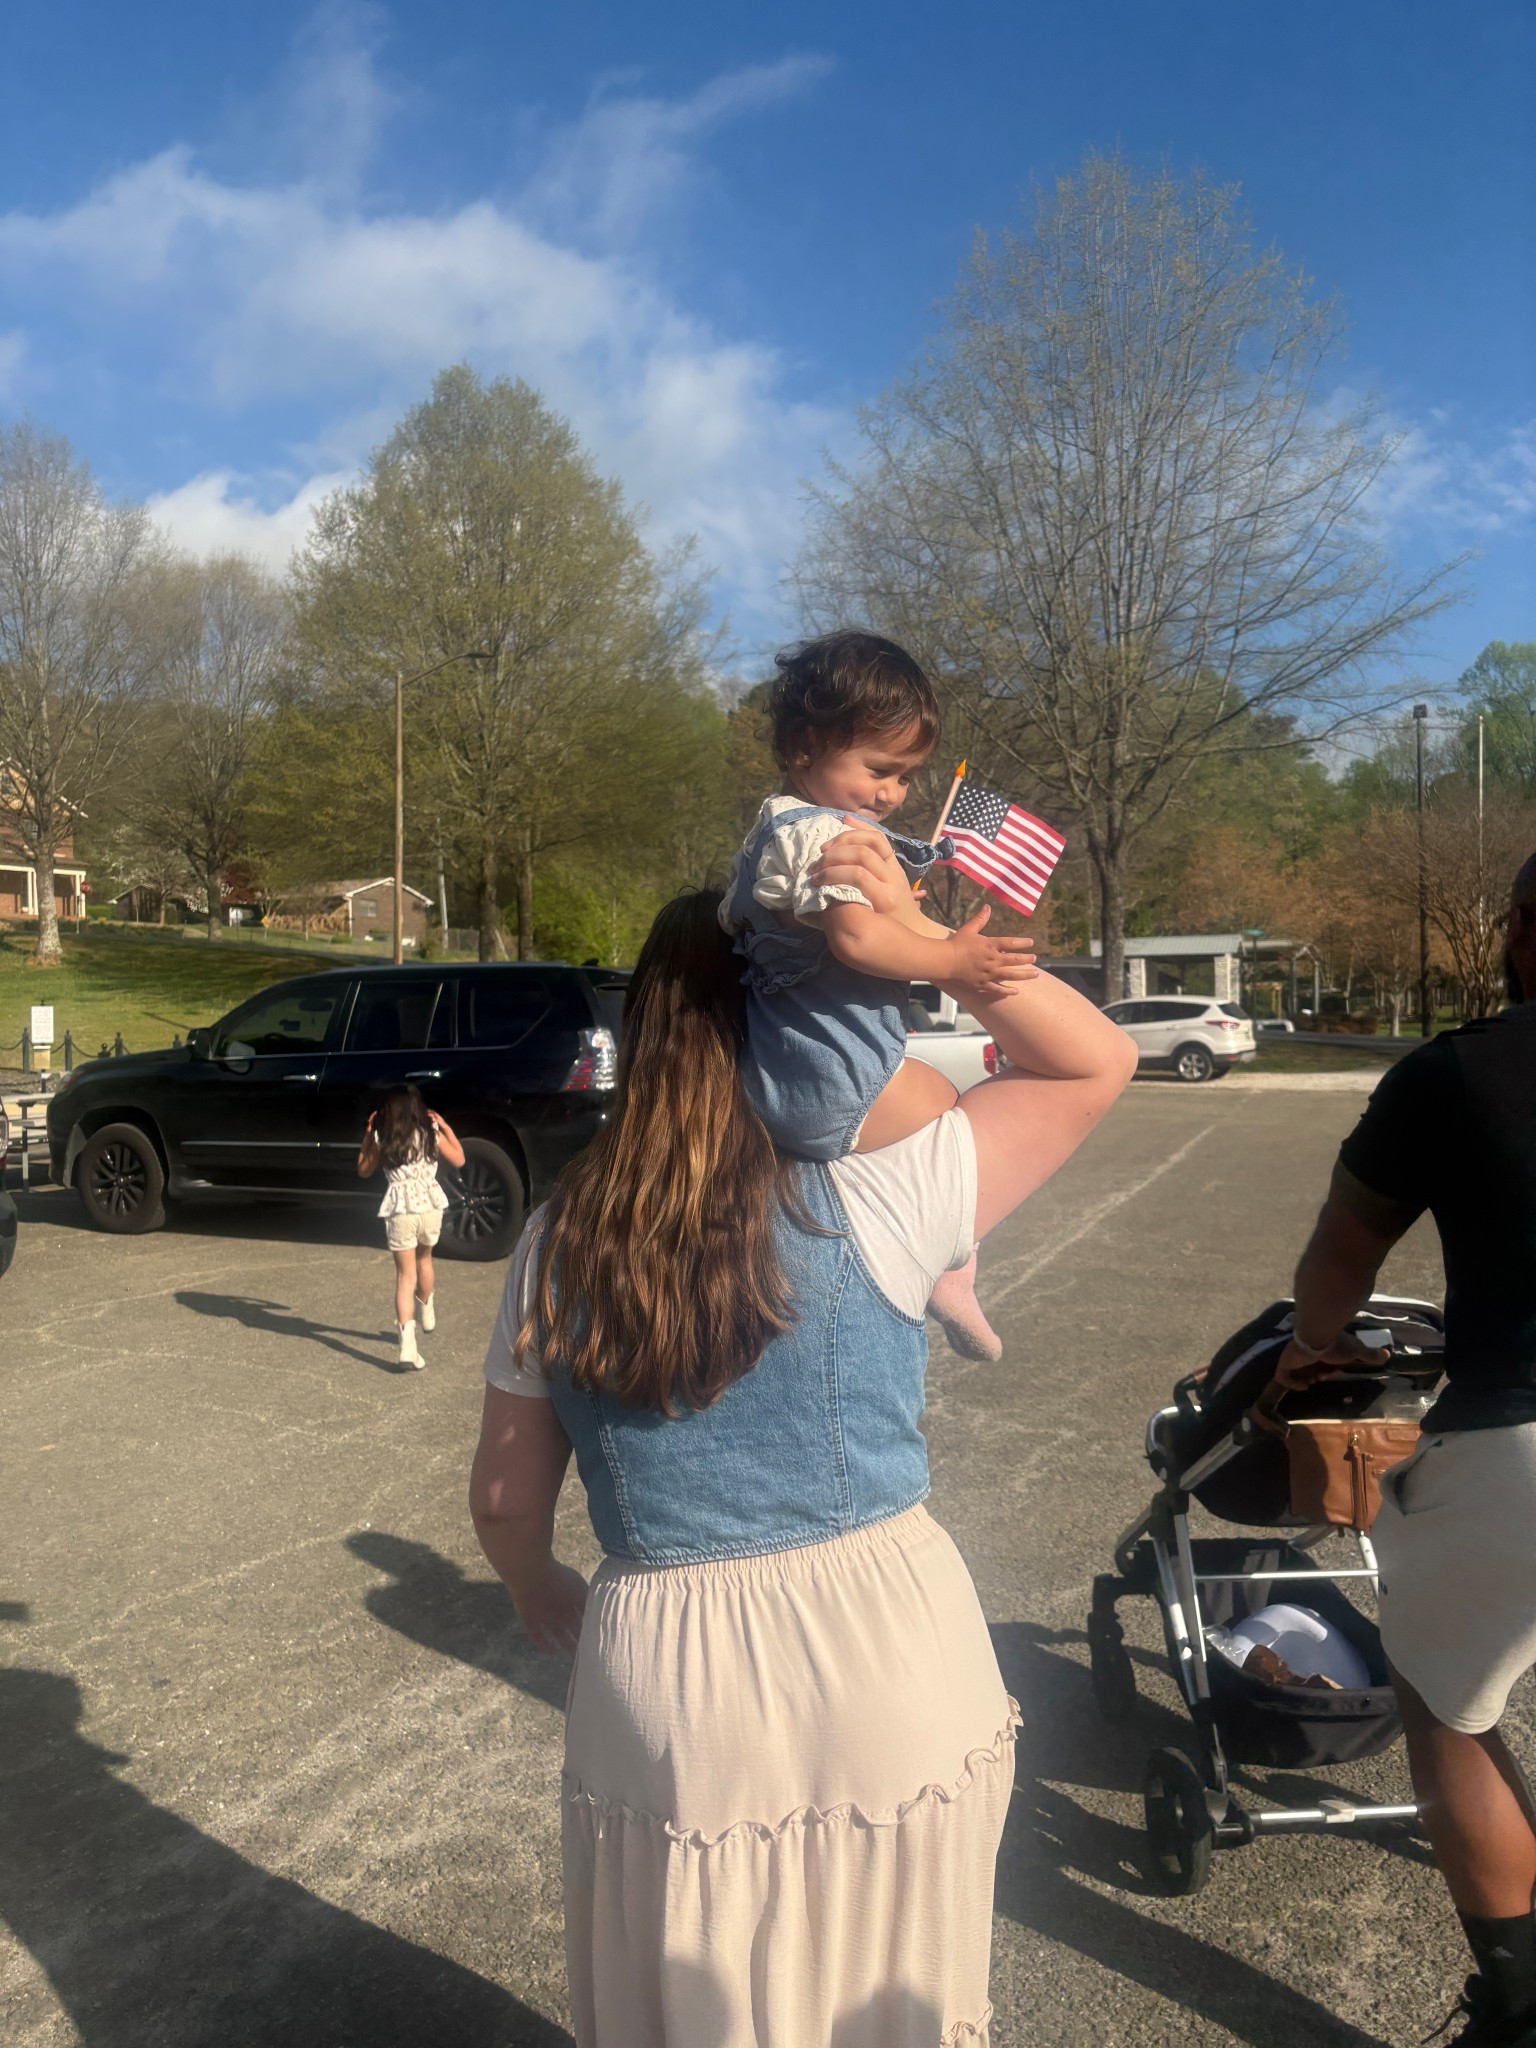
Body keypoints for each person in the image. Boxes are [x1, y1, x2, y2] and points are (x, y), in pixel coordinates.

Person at [470, 826, 1137, 2047]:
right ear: (791, 1003)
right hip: (884, 1635)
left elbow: (508, 1499)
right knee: (896, 1992)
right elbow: (1094, 1059)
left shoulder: (556, 1238)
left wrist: (535, 1584)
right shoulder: (890, 1188)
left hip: (671, 1668)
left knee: (703, 1994)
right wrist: (919, 948)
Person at [1275, 852, 1536, 2048]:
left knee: (1444, 1702)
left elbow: (1346, 1244)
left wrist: (1311, 1348)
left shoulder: (1456, 1071)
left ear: (1522, 935)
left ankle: (1518, 2000)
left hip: (1518, 1439)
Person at [720, 630, 1039, 1362]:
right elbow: (858, 944)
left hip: (781, 1074)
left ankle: (927, 1257)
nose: (892, 794)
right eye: (879, 769)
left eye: (905, 777)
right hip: (840, 1076)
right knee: (961, 1126)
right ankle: (950, 1268)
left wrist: (895, 907)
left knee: (918, 1137)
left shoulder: (771, 836)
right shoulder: (828, 836)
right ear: (806, 745)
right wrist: (948, 955)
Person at [357, 1087, 465, 1369]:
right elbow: (459, 1159)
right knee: (425, 1259)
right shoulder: (429, 1132)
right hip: (429, 1205)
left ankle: (408, 1347)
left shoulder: (383, 1138)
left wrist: (369, 1137)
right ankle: (426, 1310)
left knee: (405, 1276)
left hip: (400, 1209)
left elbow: (363, 1169)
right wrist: (446, 1127)